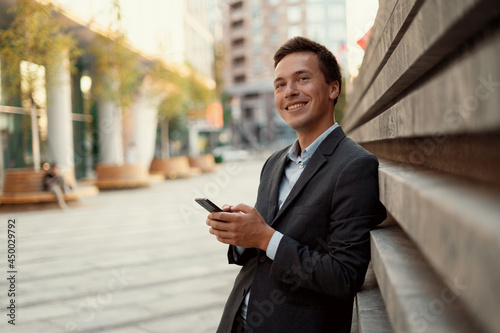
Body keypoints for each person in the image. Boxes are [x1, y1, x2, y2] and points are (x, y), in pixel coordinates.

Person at [206, 37, 387, 333]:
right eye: (280, 84)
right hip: (237, 319)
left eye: (302, 79)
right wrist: (241, 234)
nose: (290, 92)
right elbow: (265, 245)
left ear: (333, 88)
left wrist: (265, 237)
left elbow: (344, 276)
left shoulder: (355, 166)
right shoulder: (274, 163)